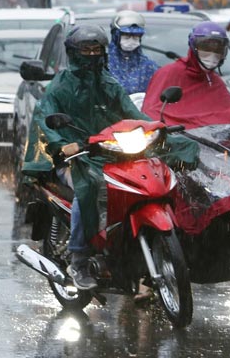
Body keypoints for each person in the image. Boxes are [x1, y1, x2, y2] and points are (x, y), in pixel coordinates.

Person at [21, 25, 197, 292]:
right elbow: (44, 120)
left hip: (108, 150)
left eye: (96, 49)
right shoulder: (60, 86)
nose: (92, 55)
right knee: (88, 188)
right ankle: (79, 259)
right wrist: (62, 145)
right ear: (74, 52)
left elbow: (132, 114)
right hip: (76, 156)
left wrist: (154, 130)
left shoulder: (108, 83)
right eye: (86, 50)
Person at [143, 21, 230, 171]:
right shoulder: (169, 73)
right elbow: (151, 113)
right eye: (206, 49)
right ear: (194, 47)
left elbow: (228, 114)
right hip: (179, 151)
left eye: (217, 50)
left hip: (217, 157)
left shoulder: (214, 80)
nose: (212, 55)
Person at [106, 10, 158, 94]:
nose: (131, 41)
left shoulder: (148, 66)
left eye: (136, 37)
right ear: (116, 36)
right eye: (126, 36)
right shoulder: (103, 65)